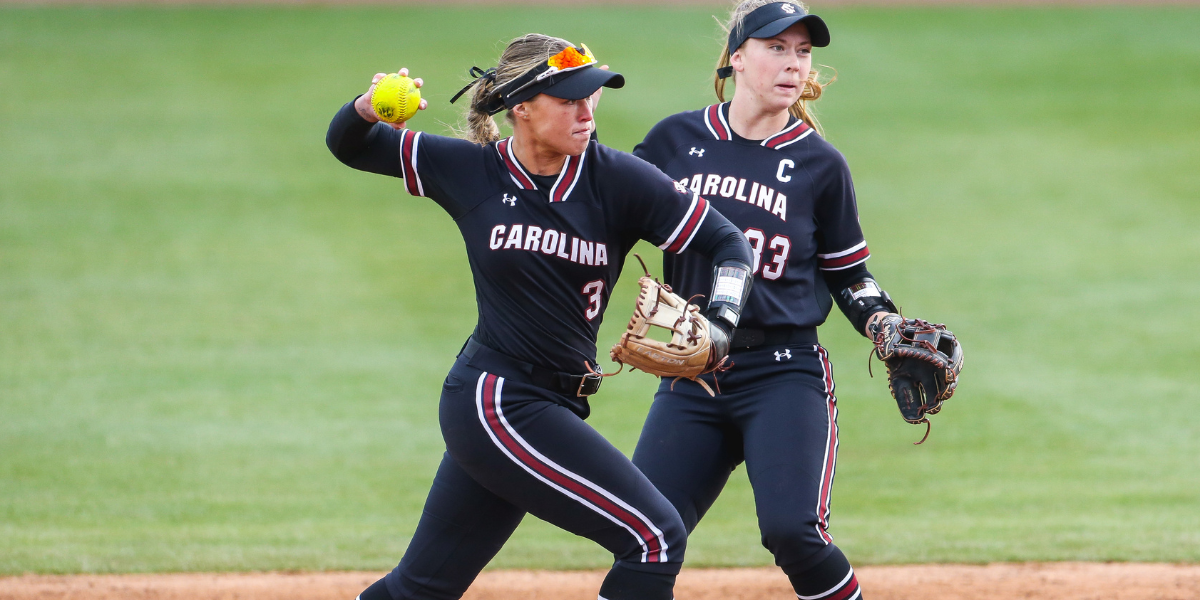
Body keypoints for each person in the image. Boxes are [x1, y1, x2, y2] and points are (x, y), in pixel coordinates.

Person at [325, 34, 753, 600]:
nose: (587, 110)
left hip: (553, 404)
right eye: (569, 99)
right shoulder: (471, 170)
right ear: (520, 107)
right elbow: (350, 145)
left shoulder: (618, 181)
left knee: (424, 587)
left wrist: (722, 320)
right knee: (655, 537)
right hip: (497, 401)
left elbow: (728, 243)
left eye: (591, 96)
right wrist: (365, 105)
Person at [629, 2, 932, 599]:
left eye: (803, 52)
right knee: (642, 535)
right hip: (693, 374)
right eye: (777, 48)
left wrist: (885, 325)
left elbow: (850, 275)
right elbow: (607, 216)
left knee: (793, 533)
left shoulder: (820, 165)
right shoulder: (675, 141)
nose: (793, 63)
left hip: (784, 375)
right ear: (737, 58)